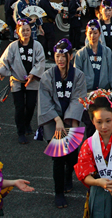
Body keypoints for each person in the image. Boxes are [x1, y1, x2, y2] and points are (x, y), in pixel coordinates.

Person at [37, 39, 87, 208]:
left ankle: (68, 175)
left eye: (63, 56)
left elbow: (78, 99)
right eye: (57, 56)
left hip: (73, 120)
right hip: (54, 122)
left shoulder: (78, 75)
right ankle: (58, 193)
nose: (60, 59)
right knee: (58, 159)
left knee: (72, 156)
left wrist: (72, 126)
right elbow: (44, 100)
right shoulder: (48, 75)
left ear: (70, 56)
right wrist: (57, 120)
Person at [0, 19, 45, 144]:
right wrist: (0, 71)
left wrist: (33, 74)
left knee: (30, 105)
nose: (26, 32)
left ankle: (27, 123)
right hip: (17, 81)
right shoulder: (12, 46)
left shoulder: (37, 46)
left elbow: (41, 62)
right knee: (19, 107)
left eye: (28, 30)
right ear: (17, 32)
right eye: (23, 30)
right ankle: (21, 132)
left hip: (32, 81)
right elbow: (4, 61)